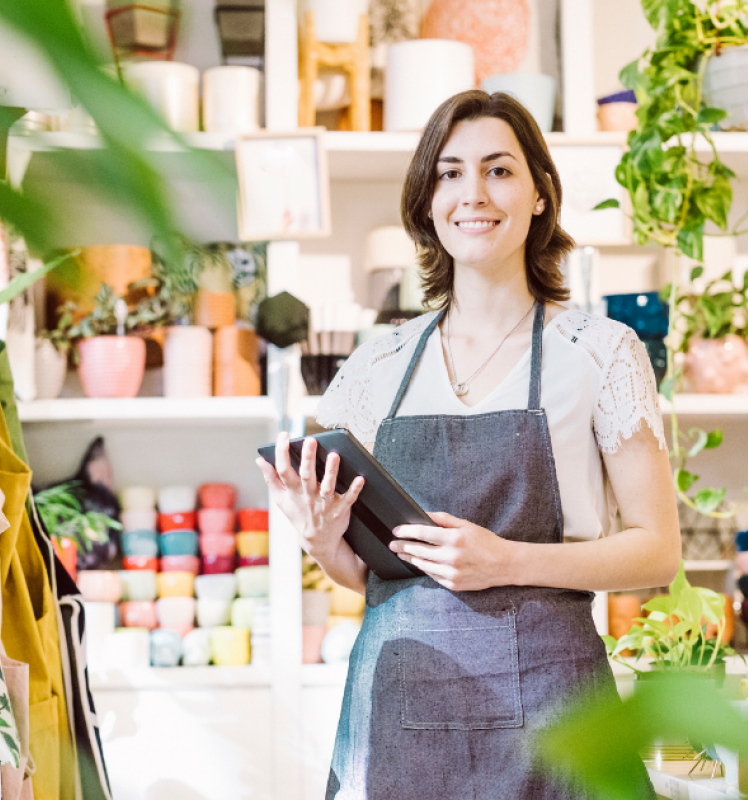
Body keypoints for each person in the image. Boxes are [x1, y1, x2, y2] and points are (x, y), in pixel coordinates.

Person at [255, 90, 680, 799]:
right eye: (449, 173)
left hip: (558, 713)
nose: (472, 193)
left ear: (541, 195)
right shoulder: (375, 369)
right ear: (426, 203)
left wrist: (507, 560)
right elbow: (370, 578)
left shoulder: (601, 352)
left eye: (499, 170)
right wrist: (326, 541)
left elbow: (657, 549)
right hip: (400, 713)